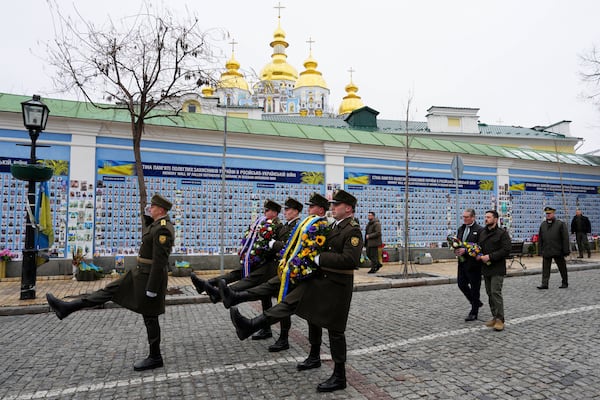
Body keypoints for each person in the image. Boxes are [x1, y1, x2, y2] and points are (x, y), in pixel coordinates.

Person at [229, 189, 363, 393]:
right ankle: (253, 326)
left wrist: (318, 259)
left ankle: (339, 375)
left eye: (336, 205)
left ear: (348, 208)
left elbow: (351, 260)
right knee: (298, 307)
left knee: (335, 332)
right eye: (332, 205)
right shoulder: (332, 226)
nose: (332, 208)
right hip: (320, 281)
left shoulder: (352, 230)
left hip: (337, 287)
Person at [46, 194, 175, 371]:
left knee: (150, 316)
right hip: (138, 275)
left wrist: (152, 288)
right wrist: (147, 218)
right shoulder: (156, 226)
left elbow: (160, 261)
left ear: (160, 209)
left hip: (149, 279)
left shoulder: (163, 229)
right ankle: (67, 307)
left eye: (152, 207)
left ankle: (155, 356)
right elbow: (148, 239)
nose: (150, 208)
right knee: (109, 290)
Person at [220, 192, 330, 353]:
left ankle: (303, 348)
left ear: (320, 210)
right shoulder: (303, 225)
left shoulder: (318, 226)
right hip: (290, 269)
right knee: (275, 295)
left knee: (291, 307)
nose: (286, 212)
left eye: (312, 206)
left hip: (307, 275)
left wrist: (314, 260)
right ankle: (235, 298)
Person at [190, 199, 284, 340]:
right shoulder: (261, 223)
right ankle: (208, 285)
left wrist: (260, 252)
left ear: (274, 213)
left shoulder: (278, 226)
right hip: (256, 261)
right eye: (264, 210)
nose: (264, 213)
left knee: (255, 289)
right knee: (240, 276)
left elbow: (275, 247)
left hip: (267, 265)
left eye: (267, 211)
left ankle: (216, 291)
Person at [476, 209, 511, 332]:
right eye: (485, 217)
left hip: (497, 268)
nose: (486, 219)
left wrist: (490, 256)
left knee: (495, 292)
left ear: (495, 219)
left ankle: (500, 320)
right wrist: (478, 254)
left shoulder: (502, 233)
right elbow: (479, 247)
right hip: (486, 268)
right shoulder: (482, 232)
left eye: (489, 217)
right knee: (489, 293)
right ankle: (494, 316)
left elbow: (506, 250)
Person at [455, 208, 483, 321]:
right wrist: (456, 249)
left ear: (473, 217)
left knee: (475, 288)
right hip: (462, 262)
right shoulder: (461, 229)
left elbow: (480, 246)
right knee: (461, 284)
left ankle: (474, 312)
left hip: (474, 264)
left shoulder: (480, 230)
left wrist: (466, 251)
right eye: (463, 217)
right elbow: (458, 243)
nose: (464, 219)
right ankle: (475, 302)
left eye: (467, 217)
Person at [538, 206, 570, 289]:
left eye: (549, 213)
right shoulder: (543, 225)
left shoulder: (560, 224)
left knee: (562, 267)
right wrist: (540, 250)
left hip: (558, 250)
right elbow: (540, 238)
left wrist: (566, 250)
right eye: (547, 214)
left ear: (553, 213)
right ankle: (544, 284)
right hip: (547, 250)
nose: (548, 215)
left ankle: (565, 282)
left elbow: (565, 238)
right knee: (545, 269)